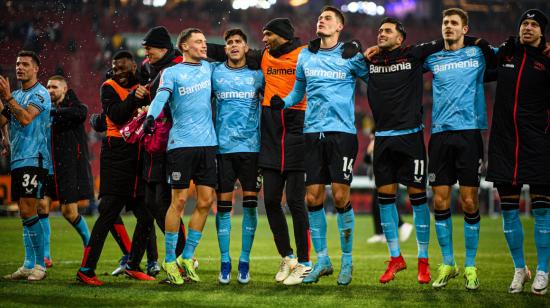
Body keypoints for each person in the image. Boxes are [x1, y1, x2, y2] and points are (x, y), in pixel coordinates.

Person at [208, 18, 312, 285]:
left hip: (297, 126)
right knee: (271, 202)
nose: (263, 39)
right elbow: (225, 50)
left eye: (268, 35)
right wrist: (184, 48)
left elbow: (328, 54)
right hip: (269, 132)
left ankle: (305, 261)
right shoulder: (263, 57)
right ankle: (287, 256)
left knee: (297, 202)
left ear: (282, 36)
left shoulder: (305, 54)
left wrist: (356, 46)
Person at [271, 6, 368, 285]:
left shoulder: (351, 55)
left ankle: (347, 262)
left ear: (339, 26)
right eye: (319, 18)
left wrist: (361, 51)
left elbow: (376, 79)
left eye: (327, 18)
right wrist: (285, 102)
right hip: (312, 133)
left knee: (339, 196)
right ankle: (323, 260)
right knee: (312, 198)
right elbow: (298, 91)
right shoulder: (306, 55)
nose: (321, 21)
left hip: (342, 134)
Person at [423, 8, 493, 290]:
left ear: (465, 29)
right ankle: (448, 263)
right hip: (439, 135)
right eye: (445, 23)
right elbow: (405, 60)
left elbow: (509, 56)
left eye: (454, 23)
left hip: (469, 134)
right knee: (440, 202)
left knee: (468, 202)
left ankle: (471, 266)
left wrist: (478, 41)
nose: (448, 26)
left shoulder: (478, 55)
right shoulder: (432, 58)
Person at [77, 50, 155, 285]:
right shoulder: (108, 87)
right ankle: (86, 270)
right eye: (115, 68)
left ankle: (133, 265)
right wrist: (135, 96)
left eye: (123, 68)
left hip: (139, 156)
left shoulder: (145, 84)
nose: (118, 72)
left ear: (133, 67)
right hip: (117, 154)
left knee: (146, 215)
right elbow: (119, 116)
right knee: (109, 213)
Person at [485, 9, 550, 295]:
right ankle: (520, 269)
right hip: (504, 143)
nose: (528, 28)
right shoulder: (506, 55)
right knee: (509, 211)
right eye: (524, 23)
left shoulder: (548, 60)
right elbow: (479, 66)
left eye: (534, 24)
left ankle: (544, 270)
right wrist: (491, 50)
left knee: (543, 210)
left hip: (539, 144)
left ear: (543, 32)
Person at [144, 28, 216, 285]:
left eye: (205, 42)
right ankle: (169, 260)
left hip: (208, 145)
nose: (204, 46)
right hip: (181, 145)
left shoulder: (210, 69)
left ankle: (187, 256)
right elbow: (161, 97)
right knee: (179, 201)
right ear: (184, 46)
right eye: (199, 42)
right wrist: (152, 116)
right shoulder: (171, 73)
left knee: (207, 201)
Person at [123, 25, 188, 278]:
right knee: (152, 203)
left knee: (164, 204)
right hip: (153, 144)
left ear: (163, 48)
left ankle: (180, 259)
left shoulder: (177, 67)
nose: (145, 52)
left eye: (149, 48)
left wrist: (146, 95)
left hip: (171, 145)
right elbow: (137, 80)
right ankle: (146, 261)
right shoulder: (152, 68)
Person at [211, 28, 264, 284]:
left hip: (252, 150)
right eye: (229, 42)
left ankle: (244, 260)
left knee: (251, 207)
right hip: (222, 150)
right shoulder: (215, 73)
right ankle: (225, 261)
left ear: (245, 47)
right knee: (223, 208)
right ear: (225, 48)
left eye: (238, 42)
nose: (233, 45)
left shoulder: (258, 75)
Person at [34, 75, 95, 269]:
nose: (50, 90)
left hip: (67, 169)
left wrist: (51, 112)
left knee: (69, 212)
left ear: (65, 89)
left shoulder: (74, 108)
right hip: (47, 168)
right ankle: (45, 256)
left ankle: (89, 244)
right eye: (48, 87)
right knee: (41, 207)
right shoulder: (44, 110)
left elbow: (80, 113)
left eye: (54, 87)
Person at [0, 50, 51, 281]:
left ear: (36, 68)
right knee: (24, 211)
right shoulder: (17, 95)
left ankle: (40, 264)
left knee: (30, 208)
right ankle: (28, 264)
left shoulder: (40, 94)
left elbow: (25, 118)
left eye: (25, 64)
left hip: (35, 158)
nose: (20, 67)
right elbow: (3, 120)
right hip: (18, 158)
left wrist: (7, 98)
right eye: (18, 63)